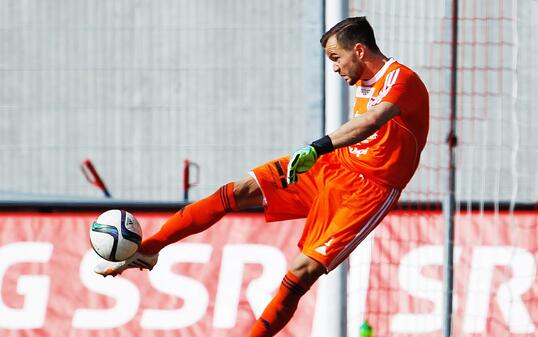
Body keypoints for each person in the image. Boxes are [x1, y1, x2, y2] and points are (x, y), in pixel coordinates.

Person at [95, 16, 429, 337]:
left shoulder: (402, 80)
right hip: (335, 165)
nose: (335, 68)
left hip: (367, 190)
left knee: (301, 273)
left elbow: (369, 123)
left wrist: (318, 146)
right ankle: (150, 248)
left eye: (336, 58)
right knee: (237, 190)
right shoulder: (365, 80)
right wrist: (322, 153)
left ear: (359, 50)